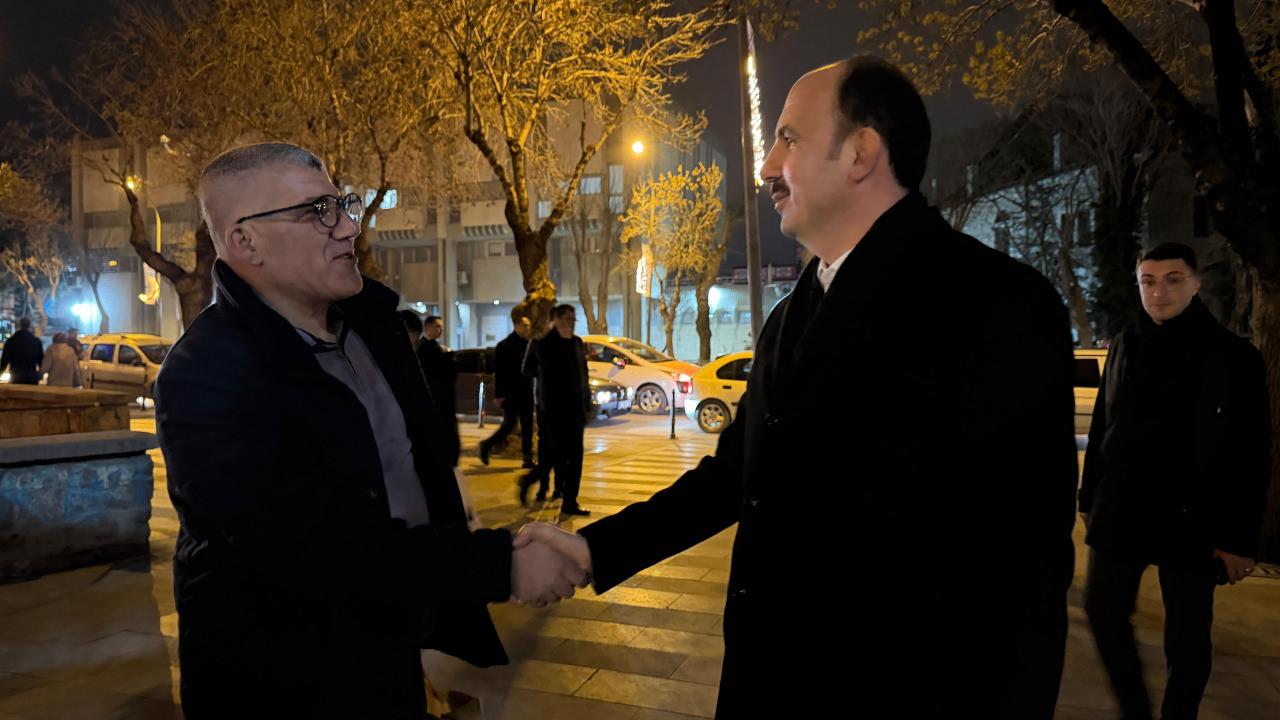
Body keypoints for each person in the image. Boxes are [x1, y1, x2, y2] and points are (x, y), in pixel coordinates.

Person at [516, 55, 1079, 717]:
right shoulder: (791, 315)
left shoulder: (994, 305)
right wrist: (594, 550)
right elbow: (737, 477)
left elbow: (1023, 579)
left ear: (860, 153)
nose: (766, 168)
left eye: (788, 139)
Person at [154, 142, 584, 719]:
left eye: (343, 205)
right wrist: (498, 564)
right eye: (317, 212)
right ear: (245, 242)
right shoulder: (205, 374)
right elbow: (311, 550)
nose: (348, 228)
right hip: (280, 681)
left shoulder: (373, 330)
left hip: (389, 646)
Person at [1080, 242, 1271, 720]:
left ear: (1195, 283)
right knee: (1103, 612)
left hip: (1194, 516)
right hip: (1123, 508)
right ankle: (1136, 710)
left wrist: (1238, 540)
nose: (1158, 291)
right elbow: (1104, 424)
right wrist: (1089, 497)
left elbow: (1250, 453)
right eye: (1147, 281)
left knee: (1187, 637)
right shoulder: (1126, 343)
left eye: (1172, 280)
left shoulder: (1233, 357)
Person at [519, 305, 592, 517]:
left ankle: (570, 501)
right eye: (567, 319)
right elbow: (529, 369)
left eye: (573, 320)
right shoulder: (543, 342)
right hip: (553, 408)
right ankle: (530, 479)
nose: (571, 323)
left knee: (576, 457)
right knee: (556, 455)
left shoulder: (577, 343)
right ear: (556, 319)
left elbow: (583, 374)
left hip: (576, 408)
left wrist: (587, 403)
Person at [479, 313, 535, 469]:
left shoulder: (529, 344)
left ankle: (527, 458)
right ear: (516, 325)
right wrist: (500, 395)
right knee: (509, 425)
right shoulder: (505, 345)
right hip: (511, 393)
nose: (527, 328)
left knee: (528, 426)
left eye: (529, 325)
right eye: (525, 325)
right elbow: (500, 373)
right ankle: (486, 445)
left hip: (526, 391)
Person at [417, 315, 461, 468]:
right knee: (445, 429)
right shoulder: (426, 349)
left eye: (441, 326)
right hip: (439, 397)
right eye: (437, 326)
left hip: (440, 396)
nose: (440, 329)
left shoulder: (433, 347)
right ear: (428, 327)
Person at [0, 317, 43, 385]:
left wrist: (1, 372)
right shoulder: (36, 341)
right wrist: (40, 375)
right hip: (31, 378)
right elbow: (41, 361)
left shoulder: (11, 341)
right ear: (29, 326)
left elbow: (4, 360)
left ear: (19, 326)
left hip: (15, 377)